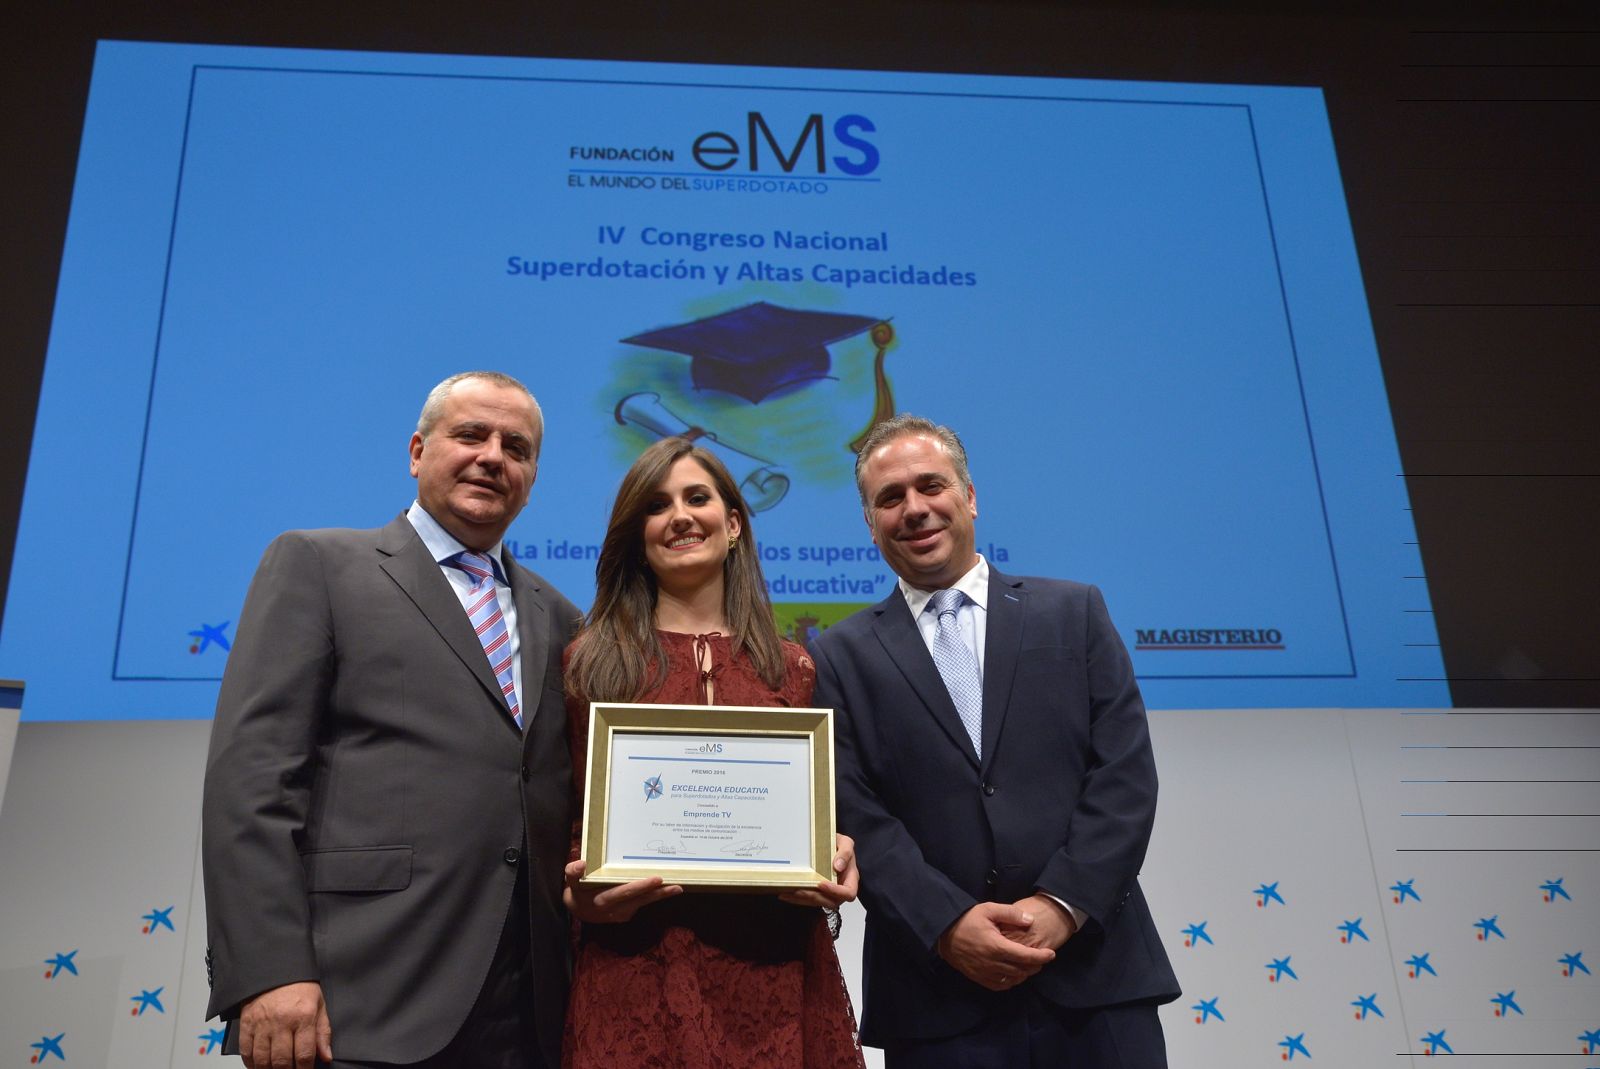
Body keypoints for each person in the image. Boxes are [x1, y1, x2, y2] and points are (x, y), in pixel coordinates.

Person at [201, 371, 582, 1069]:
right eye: (470, 434)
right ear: (417, 450)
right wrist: (269, 969)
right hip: (356, 1000)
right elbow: (251, 785)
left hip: (526, 1013)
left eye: (516, 447)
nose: (493, 456)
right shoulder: (319, 564)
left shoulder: (562, 619)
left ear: (532, 476)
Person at [809, 415, 1180, 1067]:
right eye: (890, 498)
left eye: (932, 485)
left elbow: (1123, 776)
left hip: (1095, 981)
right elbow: (854, 811)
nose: (915, 508)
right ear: (869, 522)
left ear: (970, 496)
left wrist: (1062, 905)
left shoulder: (1075, 611)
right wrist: (949, 925)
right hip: (938, 999)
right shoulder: (837, 656)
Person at [561, 436, 865, 1069]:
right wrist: (577, 893)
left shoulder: (794, 669)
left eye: (697, 498)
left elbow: (818, 822)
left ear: (732, 525)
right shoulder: (587, 665)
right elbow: (566, 819)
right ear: (635, 535)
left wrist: (831, 853)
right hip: (634, 971)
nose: (679, 516)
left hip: (773, 973)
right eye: (656, 504)